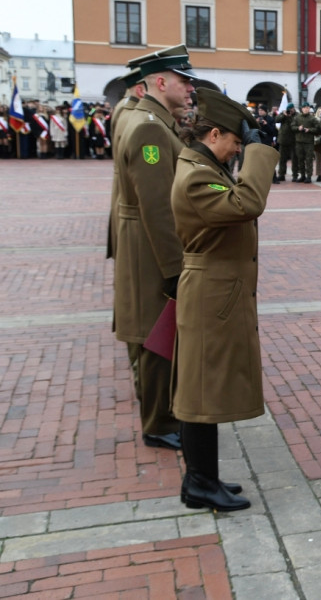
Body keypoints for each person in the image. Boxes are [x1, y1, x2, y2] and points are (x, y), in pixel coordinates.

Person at [171, 88, 279, 510]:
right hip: (208, 292)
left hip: (217, 289)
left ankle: (203, 477)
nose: (238, 150)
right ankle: (199, 483)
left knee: (207, 389)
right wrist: (259, 153)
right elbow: (248, 202)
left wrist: (250, 150)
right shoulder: (196, 173)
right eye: (236, 141)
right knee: (201, 392)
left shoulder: (202, 165)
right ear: (214, 134)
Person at [114, 47, 199, 451]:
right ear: (161, 83)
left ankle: (161, 415)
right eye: (183, 81)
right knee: (156, 333)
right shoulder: (149, 127)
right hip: (151, 249)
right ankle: (159, 422)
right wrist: (175, 268)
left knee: (151, 331)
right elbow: (158, 206)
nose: (190, 88)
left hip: (141, 242)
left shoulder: (150, 120)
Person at [275, 103, 296, 182]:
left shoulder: (296, 115)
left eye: (291, 109)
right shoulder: (283, 114)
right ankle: (281, 174)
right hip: (283, 140)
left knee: (294, 159)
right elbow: (276, 120)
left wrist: (289, 116)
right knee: (282, 159)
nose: (290, 111)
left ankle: (295, 175)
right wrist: (283, 115)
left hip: (293, 140)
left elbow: (294, 123)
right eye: (289, 110)